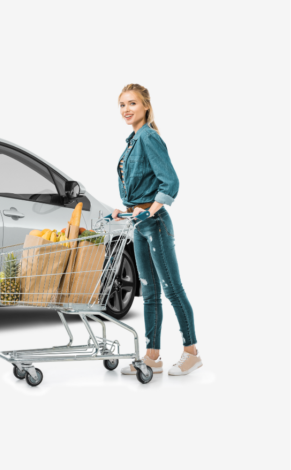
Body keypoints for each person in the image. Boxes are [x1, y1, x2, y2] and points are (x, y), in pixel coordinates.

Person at [112, 84, 202, 376]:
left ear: (146, 107)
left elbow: (170, 183)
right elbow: (141, 192)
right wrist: (123, 211)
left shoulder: (149, 137)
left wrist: (150, 211)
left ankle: (191, 352)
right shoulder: (132, 141)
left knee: (172, 288)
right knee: (149, 292)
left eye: (132, 104)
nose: (127, 109)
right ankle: (153, 356)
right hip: (139, 224)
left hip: (156, 224)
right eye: (122, 104)